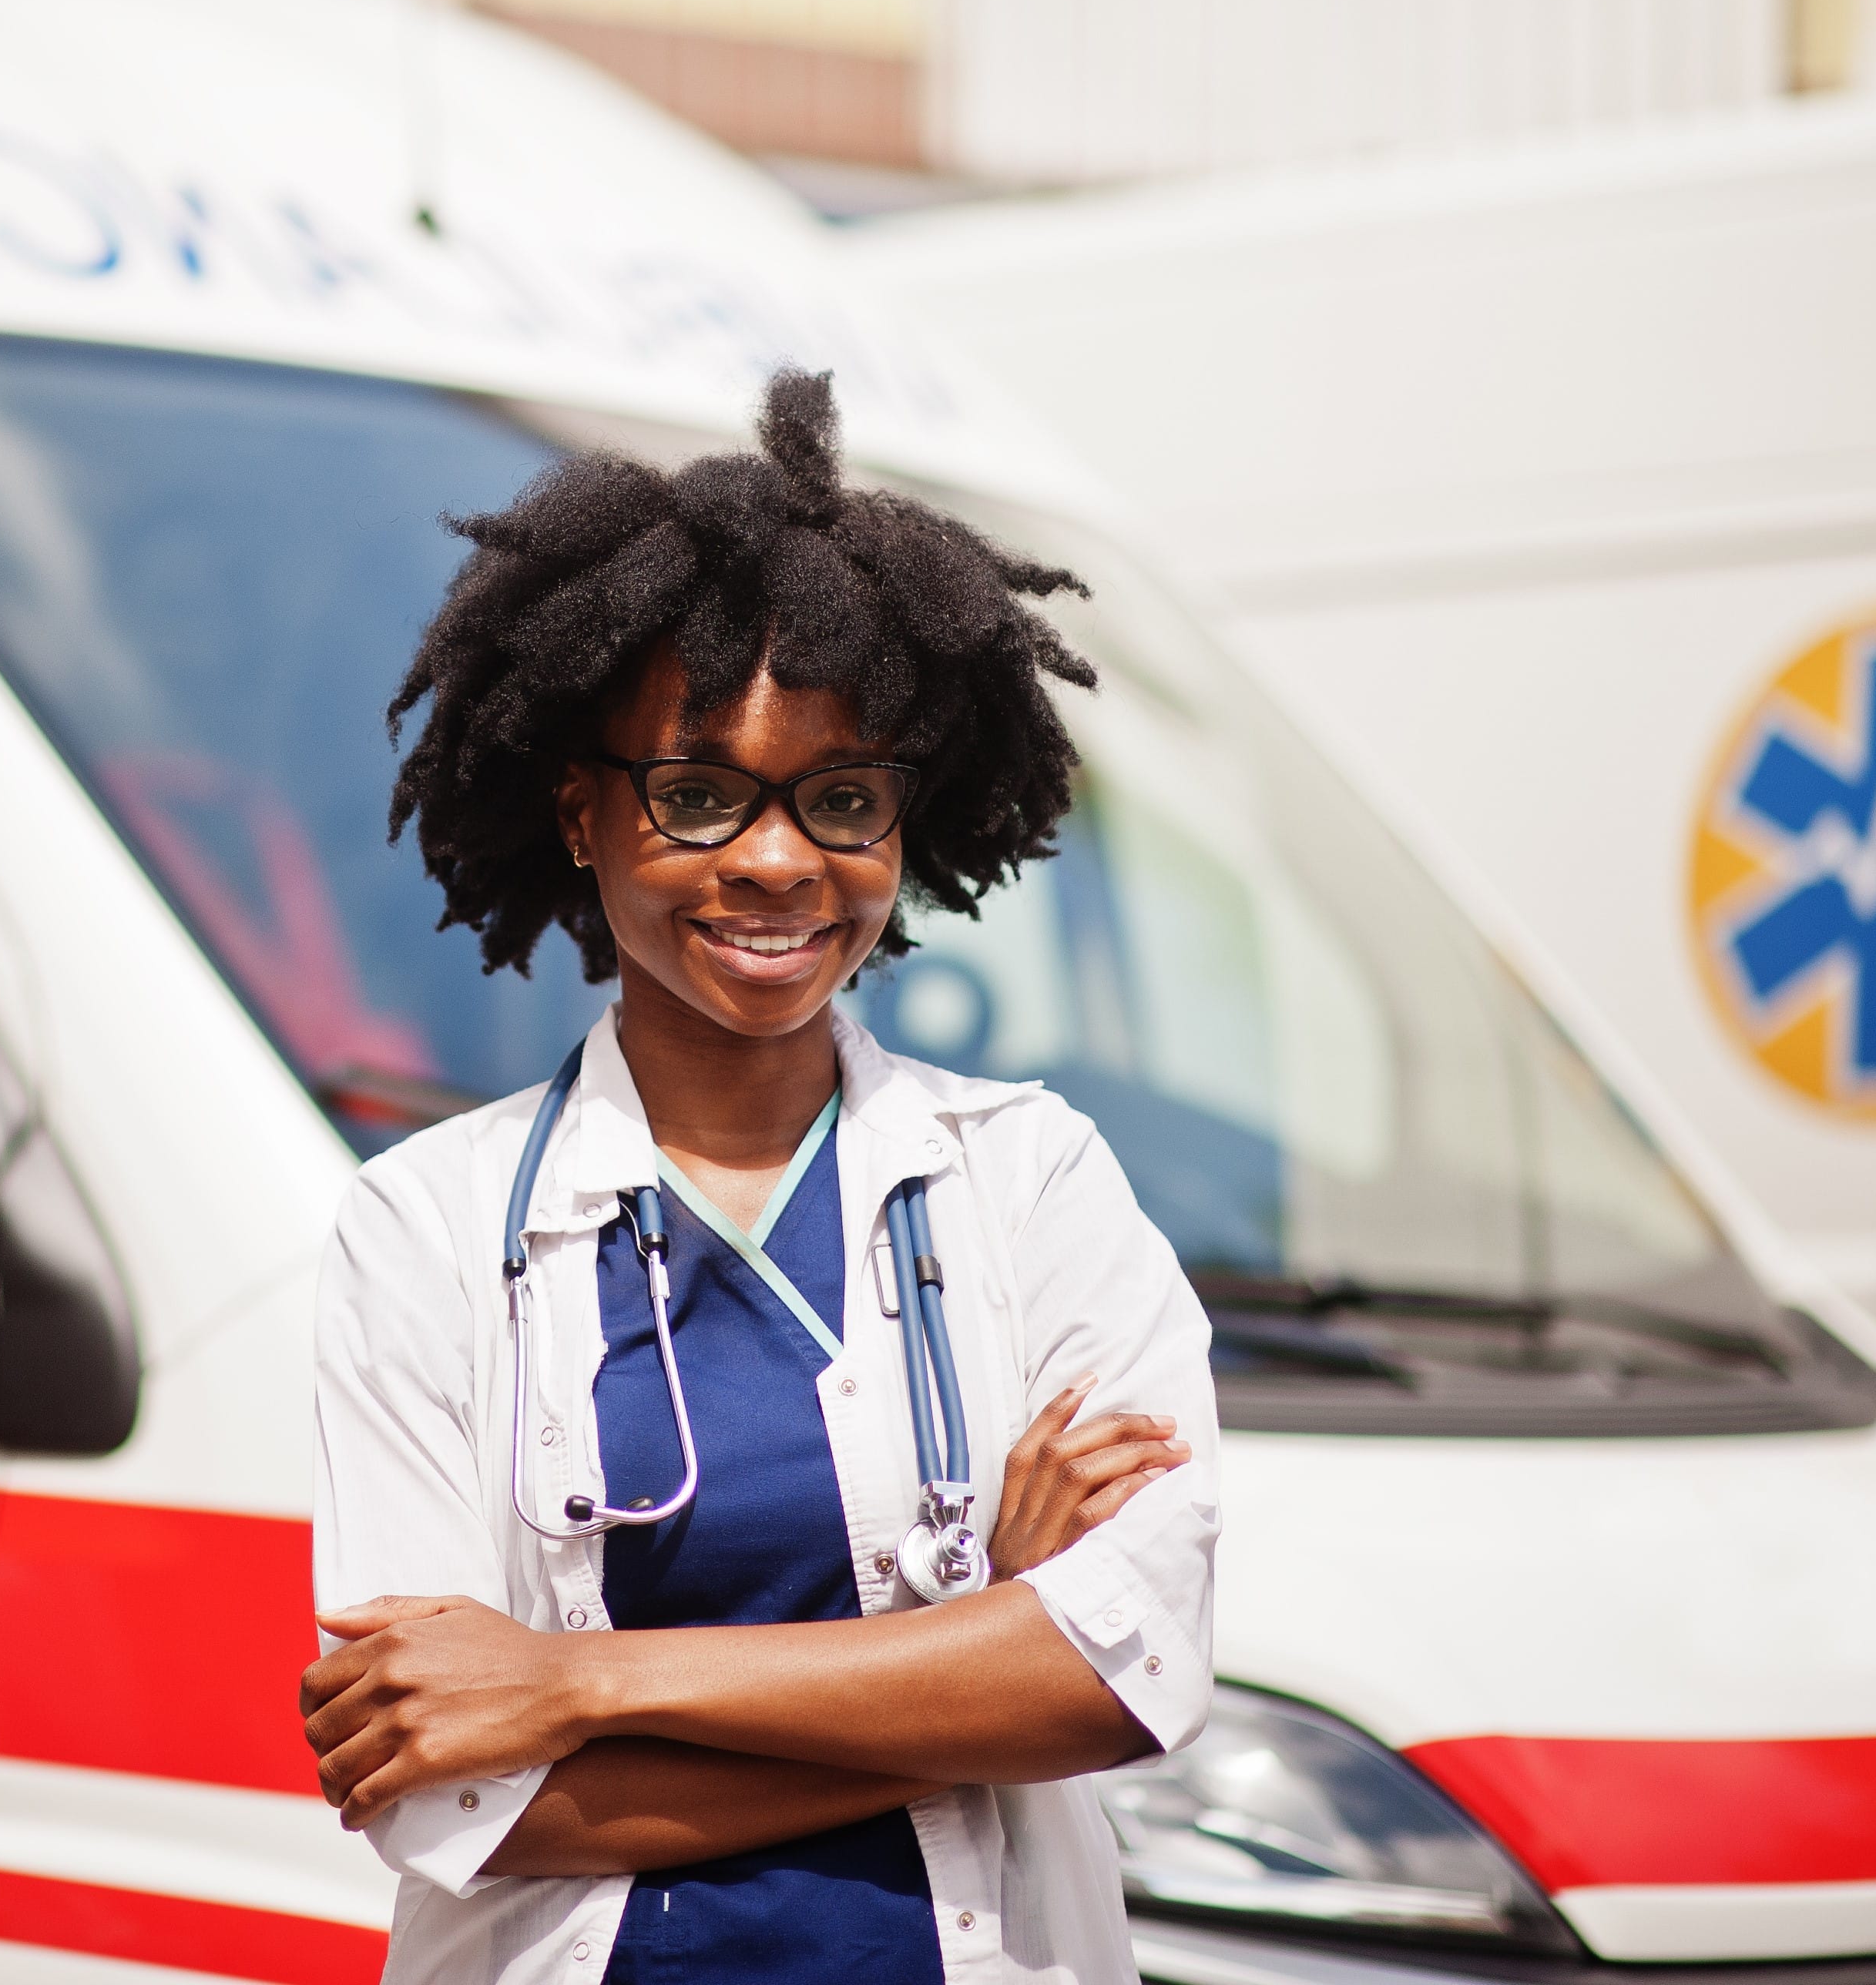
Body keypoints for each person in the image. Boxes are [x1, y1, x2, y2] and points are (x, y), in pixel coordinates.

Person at [303, 371, 1220, 1984]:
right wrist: (975, 1663)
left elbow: (1125, 1680)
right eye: (699, 793)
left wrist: (584, 1686)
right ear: (583, 815)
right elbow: (455, 1791)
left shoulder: (1031, 1185)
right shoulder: (427, 1232)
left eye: (843, 799)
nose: (781, 860)